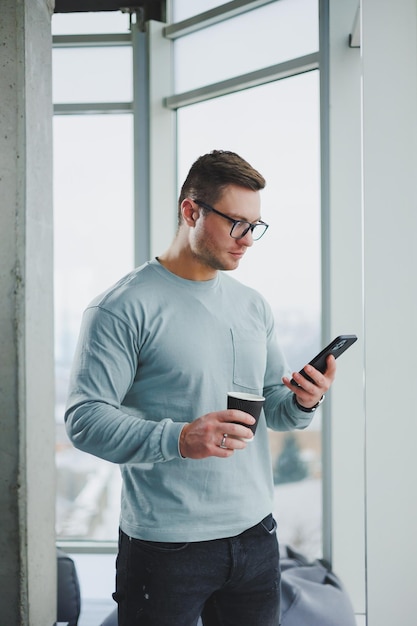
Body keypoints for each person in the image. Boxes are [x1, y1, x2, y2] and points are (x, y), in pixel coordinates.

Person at [65, 149, 336, 626]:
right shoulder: (121, 308)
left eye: (256, 226)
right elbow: (84, 419)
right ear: (191, 210)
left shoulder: (253, 306)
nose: (248, 240)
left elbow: (271, 408)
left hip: (256, 537)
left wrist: (301, 401)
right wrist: (178, 438)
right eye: (236, 223)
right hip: (167, 547)